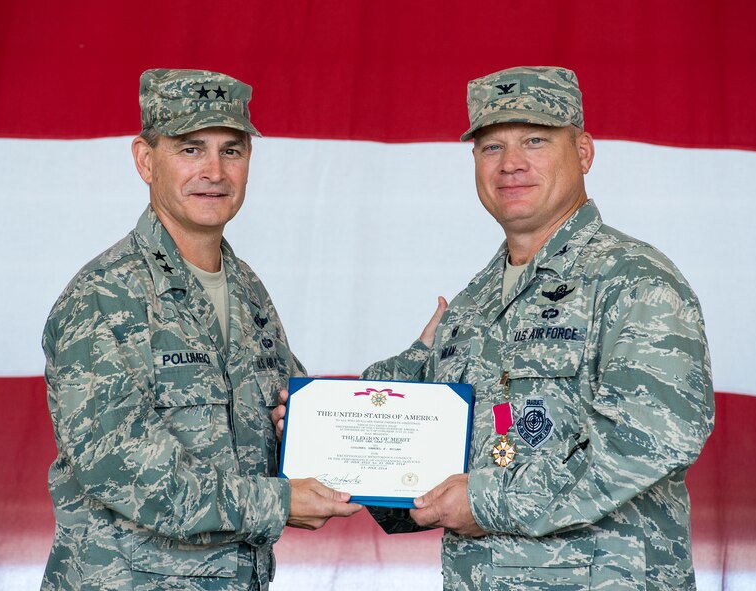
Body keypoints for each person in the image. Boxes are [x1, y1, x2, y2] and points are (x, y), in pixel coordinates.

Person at [274, 66, 714, 589]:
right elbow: (430, 470)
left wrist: (489, 500)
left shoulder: (634, 281)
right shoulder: (471, 305)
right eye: (490, 147)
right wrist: (329, 441)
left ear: (584, 152)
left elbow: (652, 440)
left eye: (535, 140)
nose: (511, 164)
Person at [42, 68, 361, 591]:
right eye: (191, 149)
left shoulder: (247, 292)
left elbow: (300, 417)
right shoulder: (104, 297)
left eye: (231, 151)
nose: (214, 170)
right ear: (146, 160)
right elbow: (124, 467)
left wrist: (410, 376)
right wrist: (278, 503)